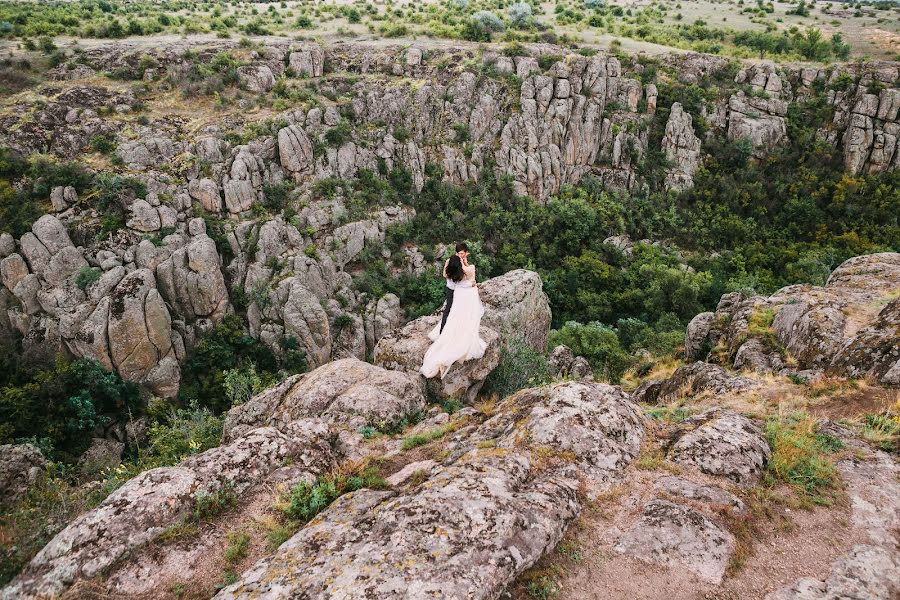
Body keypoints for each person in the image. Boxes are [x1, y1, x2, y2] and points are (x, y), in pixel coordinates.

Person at [421, 248, 487, 379]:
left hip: (458, 295)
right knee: (468, 316)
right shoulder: (468, 269)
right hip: (467, 295)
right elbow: (471, 279)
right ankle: (462, 335)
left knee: (454, 316)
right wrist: (465, 263)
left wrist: (453, 264)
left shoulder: (454, 272)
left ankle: (446, 333)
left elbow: (448, 276)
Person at [440, 242, 470, 333]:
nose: (460, 255)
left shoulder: (463, 262)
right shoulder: (451, 261)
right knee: (448, 309)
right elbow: (445, 275)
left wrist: (465, 263)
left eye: (462, 253)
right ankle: (443, 330)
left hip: (461, 290)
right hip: (452, 289)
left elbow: (469, 274)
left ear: (465, 253)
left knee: (459, 311)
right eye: (458, 253)